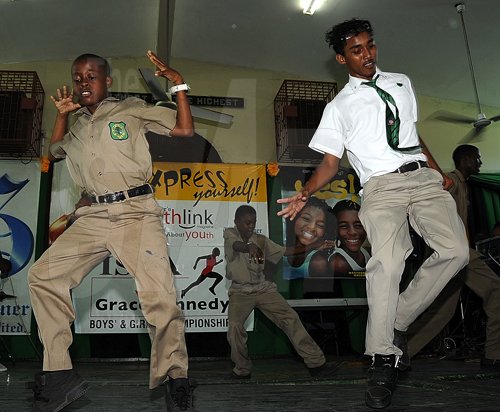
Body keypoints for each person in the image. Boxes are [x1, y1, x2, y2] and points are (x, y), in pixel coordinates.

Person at [277, 19, 469, 409]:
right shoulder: (339, 106)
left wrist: (437, 173)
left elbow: (413, 133)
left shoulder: (401, 82)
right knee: (387, 260)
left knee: (457, 252)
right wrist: (307, 191)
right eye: (356, 50)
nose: (366, 54)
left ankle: (397, 319)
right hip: (381, 189)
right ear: (341, 57)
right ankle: (382, 356)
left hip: (422, 179)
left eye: (370, 46)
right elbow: (331, 162)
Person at [28, 51, 198, 412]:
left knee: (160, 299)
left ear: (107, 82)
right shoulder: (77, 128)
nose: (83, 83)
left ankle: (176, 380)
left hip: (135, 213)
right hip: (92, 215)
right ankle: (59, 376)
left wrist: (178, 83)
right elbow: (55, 151)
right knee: (43, 276)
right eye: (78, 78)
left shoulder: (130, 109)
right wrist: (61, 115)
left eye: (91, 77)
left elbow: (184, 129)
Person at [406, 144, 500, 370]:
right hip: (455, 253)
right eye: (477, 158)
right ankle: (494, 354)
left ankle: (397, 354)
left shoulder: (462, 185)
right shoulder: (451, 181)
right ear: (465, 159)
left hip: (453, 255)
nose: (480, 163)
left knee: (442, 312)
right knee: (496, 291)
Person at [224, 204, 340, 379]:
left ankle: (316, 364)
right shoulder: (230, 234)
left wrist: (315, 246)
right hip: (240, 292)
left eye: (253, 223)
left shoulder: (261, 240)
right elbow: (237, 246)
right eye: (246, 223)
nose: (250, 226)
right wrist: (249, 247)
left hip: (263, 289)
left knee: (291, 319)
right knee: (234, 327)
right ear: (236, 222)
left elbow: (287, 252)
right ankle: (242, 369)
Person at [283, 196, 336, 279]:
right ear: (294, 219)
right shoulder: (281, 245)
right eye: (306, 218)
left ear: (325, 232)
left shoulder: (318, 263)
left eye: (320, 225)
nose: (312, 227)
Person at [329, 200, 370, 278]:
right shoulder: (338, 263)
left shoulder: (367, 253)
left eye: (358, 225)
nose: (352, 232)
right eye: (344, 226)